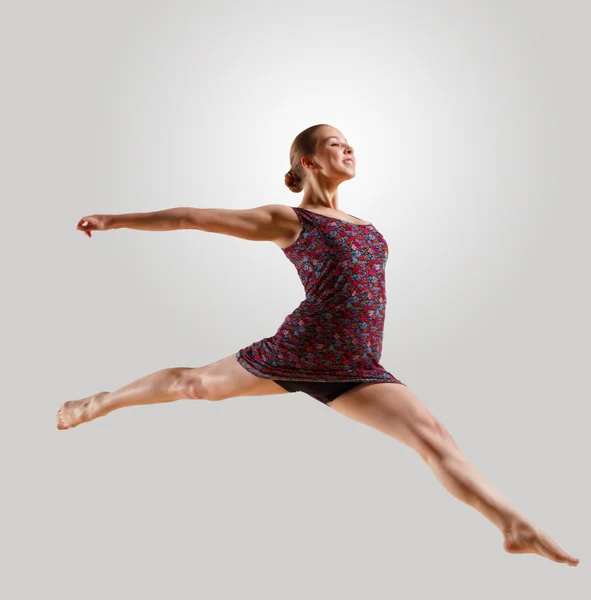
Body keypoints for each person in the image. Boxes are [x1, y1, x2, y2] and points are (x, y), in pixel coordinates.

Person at [57, 124, 579, 567]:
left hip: (354, 365)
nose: (348, 149)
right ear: (307, 161)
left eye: (349, 142)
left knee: (435, 438)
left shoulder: (365, 225)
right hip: (300, 349)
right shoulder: (289, 220)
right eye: (334, 144)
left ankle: (513, 525)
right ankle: (95, 403)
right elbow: (193, 216)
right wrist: (115, 219)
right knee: (193, 385)